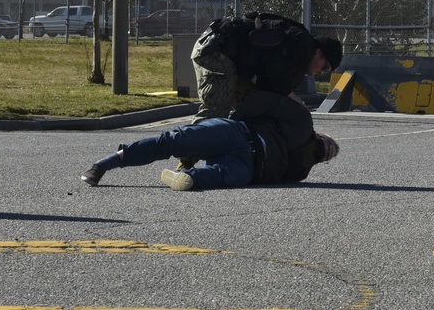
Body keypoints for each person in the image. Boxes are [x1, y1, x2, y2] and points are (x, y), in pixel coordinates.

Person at [80, 91, 339, 190]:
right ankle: (106, 163)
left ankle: (187, 178)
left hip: (248, 166)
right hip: (238, 132)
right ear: (319, 135)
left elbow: (274, 179)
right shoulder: (303, 123)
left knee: (226, 177)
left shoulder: (302, 171)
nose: (327, 151)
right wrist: (237, 121)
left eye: (329, 156)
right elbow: (266, 100)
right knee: (174, 141)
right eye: (329, 145)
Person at [191, 12, 343, 121]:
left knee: (251, 111)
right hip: (216, 51)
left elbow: (267, 85)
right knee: (217, 109)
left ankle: (228, 153)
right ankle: (187, 157)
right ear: (319, 53)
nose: (320, 73)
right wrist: (295, 99)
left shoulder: (299, 61)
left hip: (231, 59)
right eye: (324, 68)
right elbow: (276, 73)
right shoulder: (302, 44)